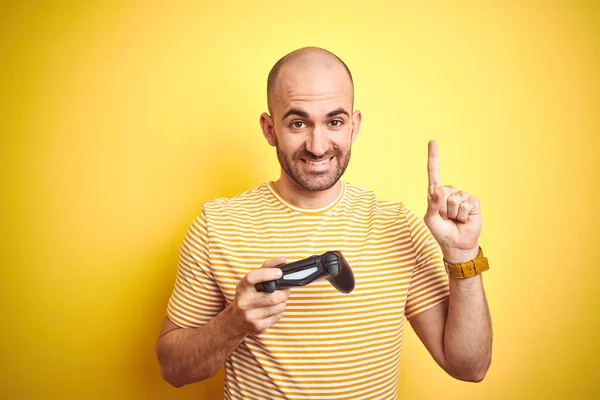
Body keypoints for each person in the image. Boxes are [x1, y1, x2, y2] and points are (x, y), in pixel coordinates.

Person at [155, 47, 492, 399]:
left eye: (334, 122)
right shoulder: (217, 225)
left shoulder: (397, 226)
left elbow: (470, 367)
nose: (317, 147)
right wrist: (232, 325)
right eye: (298, 123)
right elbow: (172, 369)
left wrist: (462, 254)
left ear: (354, 125)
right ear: (270, 129)